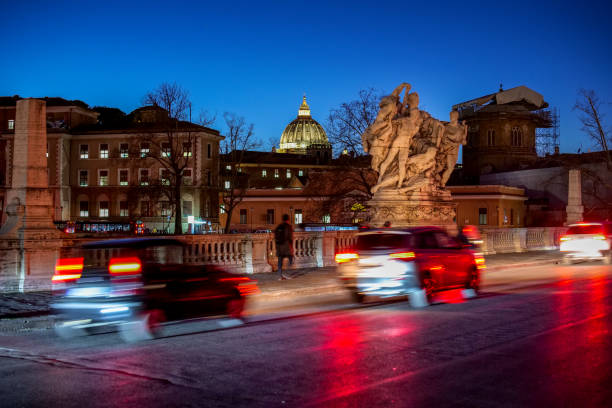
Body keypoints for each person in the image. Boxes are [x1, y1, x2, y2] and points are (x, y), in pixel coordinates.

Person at [274, 214, 294, 280]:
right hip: (286, 246)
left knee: (280, 261)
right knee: (291, 258)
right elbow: (290, 237)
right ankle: (287, 273)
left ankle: (280, 276)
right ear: (288, 219)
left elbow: (275, 236)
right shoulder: (288, 227)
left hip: (279, 246)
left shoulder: (279, 226)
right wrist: (291, 247)